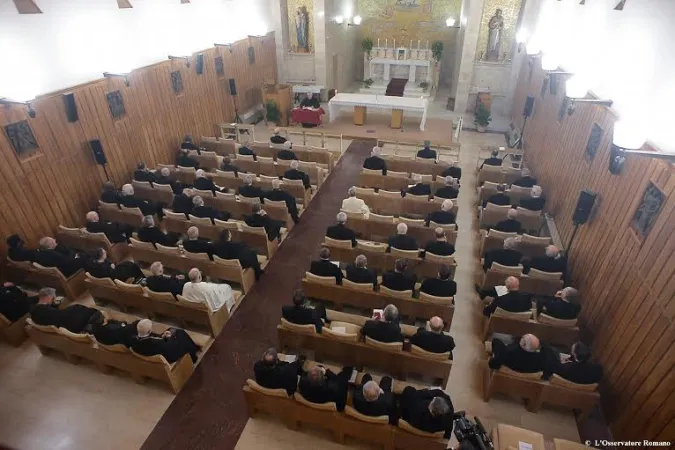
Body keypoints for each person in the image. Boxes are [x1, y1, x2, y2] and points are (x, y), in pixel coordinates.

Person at [130, 319, 200, 363]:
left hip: (151, 351)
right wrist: (170, 337)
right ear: (149, 330)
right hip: (168, 357)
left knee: (170, 329)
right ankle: (193, 356)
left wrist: (163, 337)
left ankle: (193, 348)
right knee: (180, 333)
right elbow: (168, 346)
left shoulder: (133, 340)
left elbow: (152, 341)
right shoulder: (156, 343)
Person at [30, 288, 98, 333]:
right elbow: (60, 316)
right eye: (53, 297)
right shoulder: (50, 311)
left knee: (75, 307)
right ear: (48, 297)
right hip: (70, 326)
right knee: (78, 308)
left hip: (58, 325)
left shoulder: (33, 311)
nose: (54, 299)